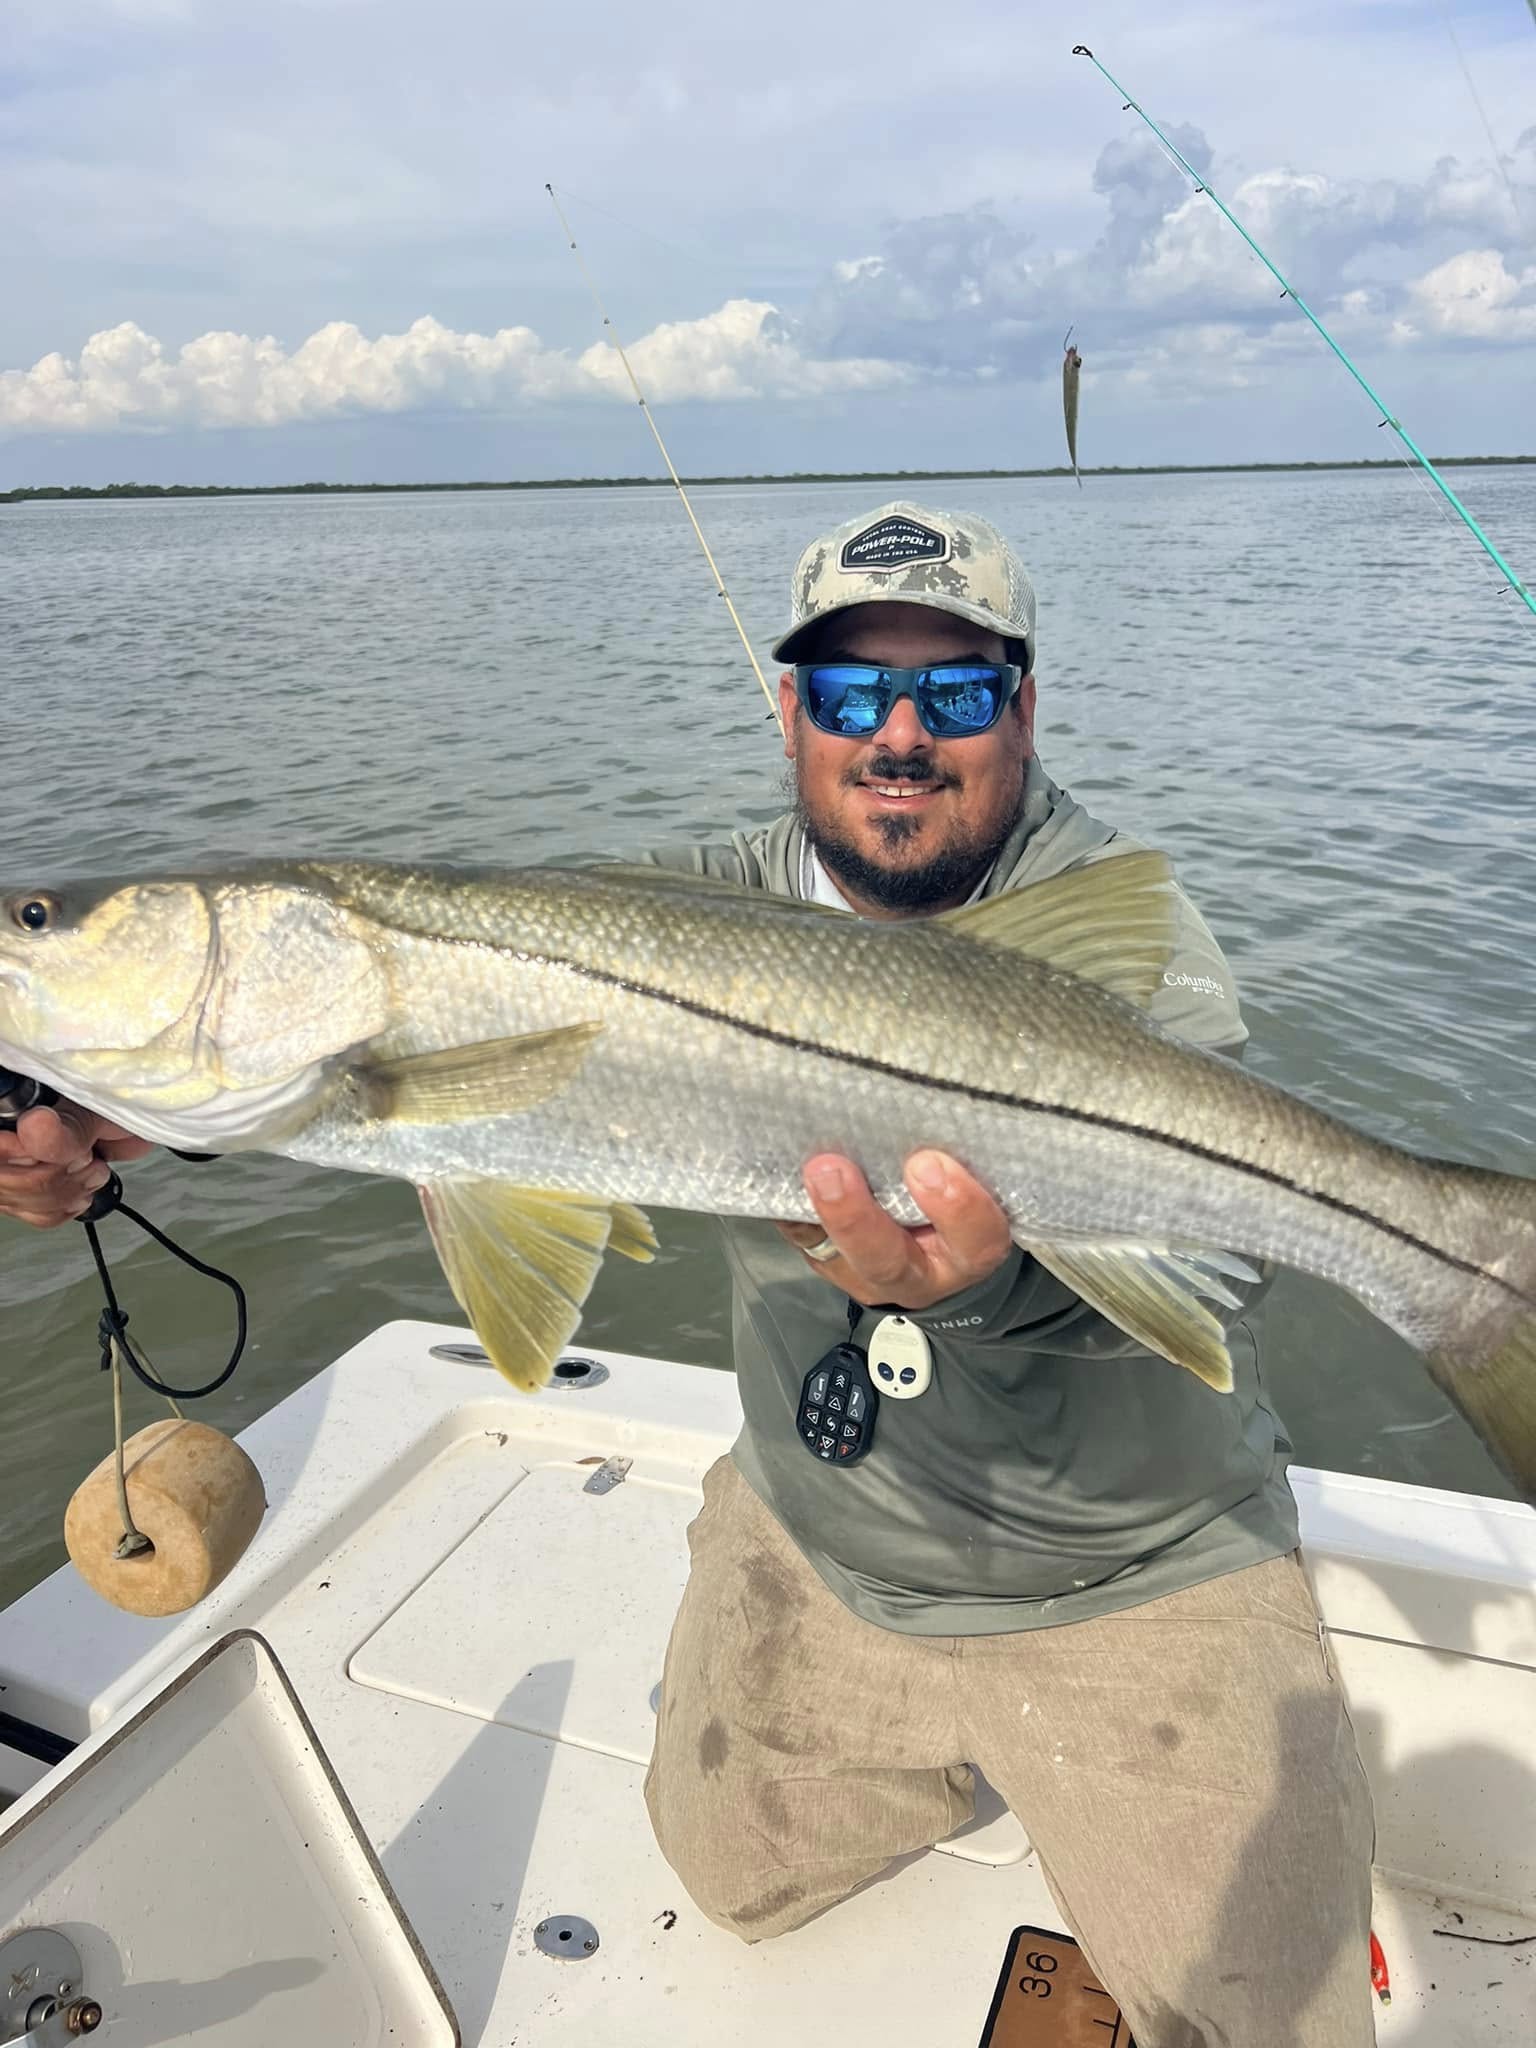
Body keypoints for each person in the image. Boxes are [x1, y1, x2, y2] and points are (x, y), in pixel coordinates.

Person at [0, 501, 1376, 2046]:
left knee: (1269, 2028)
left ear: (1026, 709)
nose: (901, 735)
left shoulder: (1118, 929)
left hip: (1133, 1565)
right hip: (824, 1534)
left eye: (958, 691)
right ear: (790, 710)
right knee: (729, 1888)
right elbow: (341, 1073)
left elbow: (1235, 1267)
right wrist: (95, 1122)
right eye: (853, 693)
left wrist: (986, 1291)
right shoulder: (679, 899)